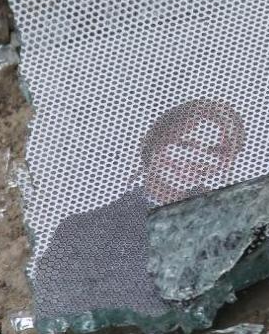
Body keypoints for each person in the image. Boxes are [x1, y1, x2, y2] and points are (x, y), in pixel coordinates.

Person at [33, 98, 246, 315]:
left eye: (213, 151)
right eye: (184, 145)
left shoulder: (229, 224)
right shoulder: (82, 231)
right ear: (154, 144)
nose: (196, 159)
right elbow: (56, 307)